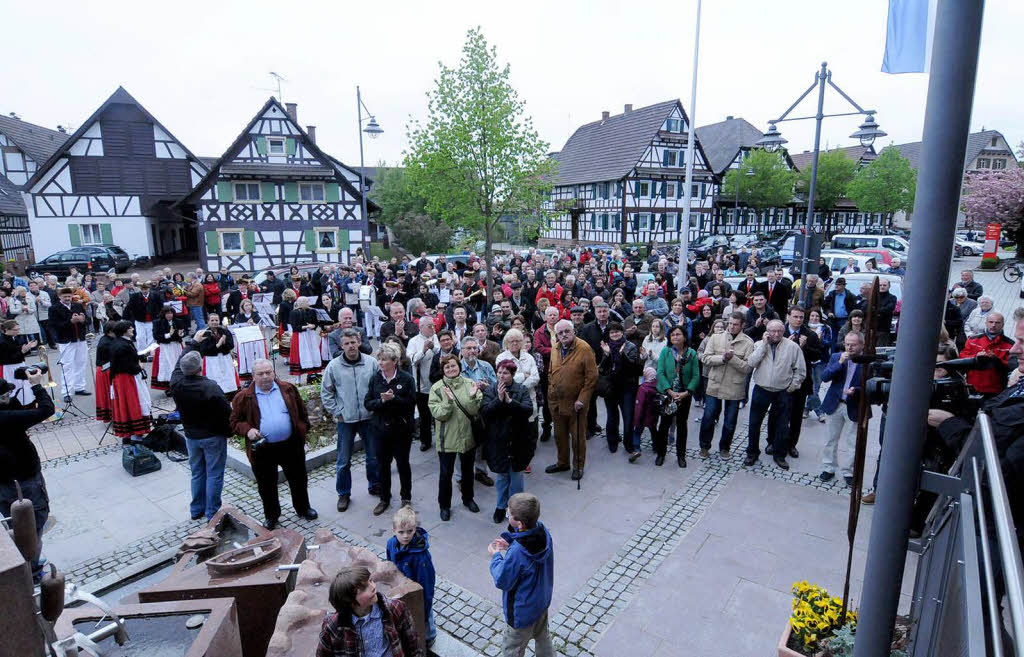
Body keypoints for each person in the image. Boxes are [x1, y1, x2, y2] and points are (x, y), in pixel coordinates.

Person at [231, 359, 318, 529]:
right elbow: (234, 421)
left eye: (268, 372)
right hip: (263, 448)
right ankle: (272, 516)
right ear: (253, 376)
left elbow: (301, 411)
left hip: (290, 444)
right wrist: (247, 430)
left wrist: (302, 428)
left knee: (299, 479)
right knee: (266, 485)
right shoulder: (244, 397)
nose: (265, 377)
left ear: (274, 372)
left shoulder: (288, 389)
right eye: (260, 374)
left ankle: (303, 508)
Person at [0, 367, 54, 582]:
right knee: (33, 523)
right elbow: (47, 409)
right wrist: (36, 385)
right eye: (5, 395)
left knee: (13, 522)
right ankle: (30, 570)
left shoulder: (8, 416)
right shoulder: (6, 418)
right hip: (23, 480)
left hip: (3, 482)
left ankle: (21, 562)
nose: (8, 397)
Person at [488, 492, 555, 657]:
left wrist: (496, 557)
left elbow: (503, 580)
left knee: (512, 649)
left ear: (519, 523)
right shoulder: (543, 531)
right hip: (541, 602)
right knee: (543, 636)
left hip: (522, 611)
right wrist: (511, 541)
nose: (507, 515)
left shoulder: (518, 552)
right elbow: (528, 545)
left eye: (509, 514)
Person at [321, 328, 381, 513]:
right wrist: (337, 412)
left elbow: (380, 385)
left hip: (369, 417)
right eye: (346, 343)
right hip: (346, 420)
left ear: (359, 341)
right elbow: (326, 392)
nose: (351, 346)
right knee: (343, 460)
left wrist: (376, 407)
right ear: (341, 345)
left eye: (353, 342)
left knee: (373, 456)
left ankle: (375, 484)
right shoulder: (333, 366)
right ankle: (344, 493)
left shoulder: (371, 363)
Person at [169, 350, 232, 520]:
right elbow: (227, 412)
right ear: (200, 367)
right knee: (214, 474)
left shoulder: (177, 384)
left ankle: (196, 510)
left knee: (197, 473)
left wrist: (191, 344)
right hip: (212, 436)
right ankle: (212, 512)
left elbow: (176, 369)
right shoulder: (210, 387)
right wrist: (229, 432)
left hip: (191, 436)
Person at [316, 565, 422, 657]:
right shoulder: (333, 625)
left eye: (370, 580)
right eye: (363, 589)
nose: (373, 587)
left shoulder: (395, 608)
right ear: (349, 601)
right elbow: (323, 654)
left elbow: (413, 645)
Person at [744, 320, 806, 470]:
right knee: (754, 423)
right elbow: (751, 362)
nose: (776, 334)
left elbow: (800, 370)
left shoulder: (792, 347)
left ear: (783, 331)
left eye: (779, 331)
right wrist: (764, 345)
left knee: (782, 425)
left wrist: (793, 386)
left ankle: (779, 454)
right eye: (773, 331)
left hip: (782, 391)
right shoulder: (759, 344)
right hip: (762, 388)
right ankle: (752, 452)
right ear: (767, 331)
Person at [363, 342, 416, 516]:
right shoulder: (375, 378)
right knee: (383, 466)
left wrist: (394, 399)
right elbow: (368, 403)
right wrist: (382, 401)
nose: (380, 363)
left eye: (384, 359)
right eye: (379, 359)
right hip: (380, 430)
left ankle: (406, 498)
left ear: (394, 361)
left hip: (401, 430)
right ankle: (384, 498)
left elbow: (411, 404)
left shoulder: (406, 379)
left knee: (402, 464)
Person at [428, 354, 482, 521]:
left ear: (459, 366)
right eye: (447, 367)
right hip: (447, 439)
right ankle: (444, 506)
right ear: (443, 370)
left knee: (467, 472)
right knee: (445, 474)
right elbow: (438, 414)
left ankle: (468, 499)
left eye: (453, 366)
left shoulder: (470, 384)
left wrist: (473, 396)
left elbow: (474, 411)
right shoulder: (436, 388)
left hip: (467, 436)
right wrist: (449, 402)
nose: (451, 369)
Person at [482, 359, 536, 524]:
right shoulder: (491, 390)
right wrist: (498, 399)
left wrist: (510, 402)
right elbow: (485, 412)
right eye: (499, 372)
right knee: (502, 477)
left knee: (517, 478)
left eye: (505, 373)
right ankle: (501, 506)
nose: (501, 375)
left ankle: (517, 511)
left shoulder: (521, 389)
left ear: (512, 374)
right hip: (499, 441)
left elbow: (528, 410)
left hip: (518, 440)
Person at [543, 319, 597, 481]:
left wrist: (582, 399)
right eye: (560, 333)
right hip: (556, 401)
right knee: (559, 435)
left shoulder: (584, 348)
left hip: (576, 404)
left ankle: (578, 466)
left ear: (573, 331)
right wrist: (551, 389)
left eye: (567, 331)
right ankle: (562, 463)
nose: (564, 335)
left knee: (577, 437)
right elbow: (551, 370)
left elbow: (592, 377)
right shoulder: (555, 347)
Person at [699, 311, 754, 458]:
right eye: (729, 323)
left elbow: (748, 368)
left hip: (734, 386)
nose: (731, 327)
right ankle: (704, 446)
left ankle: (725, 448)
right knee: (708, 417)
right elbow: (705, 358)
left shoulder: (748, 343)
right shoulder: (716, 337)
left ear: (742, 325)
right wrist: (722, 358)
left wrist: (732, 359)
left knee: (730, 421)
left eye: (735, 324)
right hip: (715, 383)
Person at [818, 332, 868, 486]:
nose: (849, 347)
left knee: (853, 442)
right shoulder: (836, 357)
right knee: (830, 439)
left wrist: (857, 390)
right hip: (835, 403)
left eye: (853, 344)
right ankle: (829, 467)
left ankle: (848, 471)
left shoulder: (866, 362)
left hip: (854, 405)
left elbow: (871, 386)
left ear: (861, 345)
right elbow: (825, 377)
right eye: (847, 344)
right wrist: (839, 363)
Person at [387, 507, 437, 649]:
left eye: (410, 531)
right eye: (401, 532)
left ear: (415, 529)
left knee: (426, 617)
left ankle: (430, 636)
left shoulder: (421, 557)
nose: (405, 536)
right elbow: (390, 564)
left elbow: (427, 585)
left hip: (419, 593)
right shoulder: (391, 543)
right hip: (403, 589)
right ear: (394, 530)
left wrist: (425, 609)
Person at [653, 325, 699, 468]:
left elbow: (696, 375)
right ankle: (661, 453)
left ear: (684, 337)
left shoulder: (691, 354)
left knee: (682, 425)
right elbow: (660, 372)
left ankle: (681, 455)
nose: (675, 337)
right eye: (672, 335)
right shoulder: (666, 352)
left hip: (684, 395)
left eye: (678, 334)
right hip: (668, 395)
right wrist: (669, 391)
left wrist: (687, 392)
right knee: (664, 425)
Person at [782, 305, 823, 458]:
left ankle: (792, 444)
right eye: (795, 316)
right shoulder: (781, 331)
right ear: (789, 317)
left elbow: (818, 356)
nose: (799, 320)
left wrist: (804, 348)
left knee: (796, 416)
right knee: (778, 413)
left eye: (801, 317)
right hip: (780, 380)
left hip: (801, 383)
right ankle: (774, 441)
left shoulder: (810, 335)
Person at [598, 322, 641, 454]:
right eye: (612, 332)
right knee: (612, 416)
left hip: (627, 387)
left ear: (622, 332)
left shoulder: (630, 346)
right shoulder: (606, 347)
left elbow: (634, 368)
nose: (615, 334)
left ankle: (629, 444)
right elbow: (601, 369)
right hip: (611, 387)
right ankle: (613, 440)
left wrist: (623, 355)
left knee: (628, 417)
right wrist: (606, 355)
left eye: (617, 331)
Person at [108, 321, 152, 442]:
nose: (132, 329)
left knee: (126, 405)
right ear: (124, 330)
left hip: (122, 378)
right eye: (130, 327)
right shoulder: (123, 346)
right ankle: (135, 434)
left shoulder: (120, 343)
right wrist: (141, 366)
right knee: (132, 403)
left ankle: (129, 434)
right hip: (127, 379)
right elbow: (129, 366)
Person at [960, 312, 1015, 397]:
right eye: (991, 322)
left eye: (997, 323)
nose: (993, 325)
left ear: (1003, 324)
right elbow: (962, 357)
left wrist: (996, 360)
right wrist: (976, 357)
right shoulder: (973, 340)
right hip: (972, 386)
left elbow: (1011, 367)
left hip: (996, 389)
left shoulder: (1010, 345)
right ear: (986, 323)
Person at [50, 287, 90, 402]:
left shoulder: (77, 305)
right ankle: (66, 391)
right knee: (67, 366)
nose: (68, 298)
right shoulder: (54, 308)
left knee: (81, 363)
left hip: (80, 339)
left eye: (69, 296)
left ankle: (79, 387)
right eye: (65, 297)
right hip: (66, 340)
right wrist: (70, 322)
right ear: (60, 297)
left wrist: (82, 320)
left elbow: (88, 321)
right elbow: (54, 325)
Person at [408, 317, 440, 452]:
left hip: (436, 382)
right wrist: (424, 350)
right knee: (424, 415)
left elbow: (440, 352)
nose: (432, 328)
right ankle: (425, 440)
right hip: (421, 384)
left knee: (438, 414)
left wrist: (434, 347)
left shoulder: (436, 337)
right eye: (429, 326)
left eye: (433, 326)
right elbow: (411, 360)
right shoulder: (413, 341)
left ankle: (440, 439)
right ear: (421, 327)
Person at [532, 306, 560, 442]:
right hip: (546, 371)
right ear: (545, 317)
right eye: (550, 315)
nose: (553, 317)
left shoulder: (563, 329)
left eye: (555, 315)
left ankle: (561, 428)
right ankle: (547, 426)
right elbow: (539, 348)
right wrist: (556, 350)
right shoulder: (539, 332)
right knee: (548, 402)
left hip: (562, 370)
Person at [197, 314, 239, 395]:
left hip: (225, 357)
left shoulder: (225, 331)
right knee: (214, 374)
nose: (214, 322)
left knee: (227, 373)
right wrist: (218, 344)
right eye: (212, 320)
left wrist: (223, 344)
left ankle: (229, 390)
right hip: (211, 359)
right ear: (208, 321)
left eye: (216, 320)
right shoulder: (204, 333)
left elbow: (231, 345)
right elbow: (204, 349)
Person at [803, 308, 833, 422]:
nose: (814, 318)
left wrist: (819, 341)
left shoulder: (825, 328)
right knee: (811, 387)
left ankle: (807, 407)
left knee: (815, 387)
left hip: (821, 361)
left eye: (817, 316)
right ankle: (819, 411)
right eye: (812, 316)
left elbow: (828, 343)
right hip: (807, 360)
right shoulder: (805, 328)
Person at [0, 321, 37, 405]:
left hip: (20, 364)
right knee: (15, 387)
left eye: (18, 329)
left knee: (25, 385)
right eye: (15, 330)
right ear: (6, 330)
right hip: (9, 368)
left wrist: (28, 348)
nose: (18, 331)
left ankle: (28, 403)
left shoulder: (16, 337)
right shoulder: (2, 341)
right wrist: (22, 351)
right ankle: (17, 405)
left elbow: (19, 350)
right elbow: (6, 359)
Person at [151, 305, 186, 392]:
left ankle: (179, 384)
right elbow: (156, 336)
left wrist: (181, 334)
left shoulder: (178, 321)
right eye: (167, 313)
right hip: (165, 347)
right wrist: (168, 335)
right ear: (164, 314)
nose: (169, 315)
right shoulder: (158, 322)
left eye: (171, 313)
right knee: (167, 366)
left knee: (177, 365)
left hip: (176, 346)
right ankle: (169, 387)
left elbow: (182, 333)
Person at [289, 296, 324, 378]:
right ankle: (298, 379)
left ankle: (312, 375)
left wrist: (313, 325)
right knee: (301, 355)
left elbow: (315, 323)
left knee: (312, 352)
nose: (308, 303)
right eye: (307, 302)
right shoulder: (294, 313)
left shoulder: (312, 311)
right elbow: (294, 327)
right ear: (301, 303)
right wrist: (306, 327)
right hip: (300, 335)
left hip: (310, 335)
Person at [126, 282, 162, 353]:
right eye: (143, 289)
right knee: (140, 337)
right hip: (139, 320)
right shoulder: (135, 296)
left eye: (146, 289)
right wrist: (127, 317)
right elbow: (129, 307)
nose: (144, 291)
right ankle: (142, 352)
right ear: (140, 289)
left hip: (152, 320)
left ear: (149, 288)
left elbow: (160, 306)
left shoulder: (155, 295)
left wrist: (159, 315)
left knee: (151, 337)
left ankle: (151, 352)